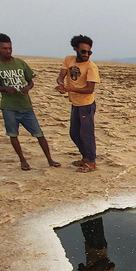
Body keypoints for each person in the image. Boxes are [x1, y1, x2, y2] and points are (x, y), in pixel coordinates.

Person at [0, 33, 62, 171]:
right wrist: (5, 88)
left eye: (10, 48)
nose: (8, 51)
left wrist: (27, 88)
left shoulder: (20, 63)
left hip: (26, 105)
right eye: (4, 48)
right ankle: (23, 160)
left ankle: (50, 159)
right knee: (13, 134)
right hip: (9, 107)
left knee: (39, 133)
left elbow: (30, 81)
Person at [56, 35, 100, 173]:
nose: (86, 54)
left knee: (86, 134)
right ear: (75, 49)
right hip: (75, 103)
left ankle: (91, 162)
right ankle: (85, 157)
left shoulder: (91, 67)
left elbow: (90, 89)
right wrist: (61, 84)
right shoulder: (69, 59)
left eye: (89, 52)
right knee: (74, 133)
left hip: (86, 104)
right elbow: (61, 75)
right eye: (83, 51)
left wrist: (70, 89)